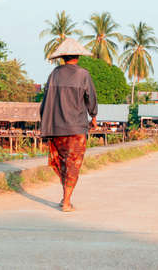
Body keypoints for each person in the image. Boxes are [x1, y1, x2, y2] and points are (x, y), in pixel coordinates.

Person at [39, 38, 98, 212]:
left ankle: (65, 197)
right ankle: (66, 202)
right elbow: (91, 99)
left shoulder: (54, 74)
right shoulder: (83, 74)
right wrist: (93, 116)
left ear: (63, 57)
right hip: (76, 128)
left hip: (56, 128)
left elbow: (45, 102)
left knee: (62, 163)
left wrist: (45, 124)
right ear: (78, 56)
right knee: (73, 164)